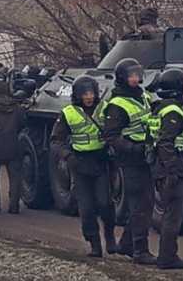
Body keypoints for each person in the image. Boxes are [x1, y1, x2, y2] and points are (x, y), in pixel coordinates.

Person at [50, 75, 116, 257]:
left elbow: (116, 128)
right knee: (86, 209)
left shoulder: (105, 108)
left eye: (91, 93)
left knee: (105, 203)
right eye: (85, 94)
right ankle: (94, 244)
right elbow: (56, 141)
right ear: (78, 95)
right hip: (79, 163)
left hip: (100, 160)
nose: (89, 97)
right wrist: (68, 156)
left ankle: (110, 237)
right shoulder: (68, 113)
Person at [102, 58, 157, 265]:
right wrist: (134, 148)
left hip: (145, 155)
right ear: (122, 78)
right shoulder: (117, 104)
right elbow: (111, 136)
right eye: (131, 75)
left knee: (147, 202)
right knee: (139, 204)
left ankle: (127, 244)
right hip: (131, 159)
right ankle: (140, 250)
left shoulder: (143, 96)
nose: (136, 78)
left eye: (137, 74)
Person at [148, 69, 183, 270]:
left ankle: (167, 255)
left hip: (160, 168)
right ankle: (167, 257)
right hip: (170, 170)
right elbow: (165, 143)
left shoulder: (159, 108)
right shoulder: (173, 112)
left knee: (170, 213)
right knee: (173, 215)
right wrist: (173, 170)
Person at [0, 78, 25, 215]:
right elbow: (22, 124)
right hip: (13, 144)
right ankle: (14, 206)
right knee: (15, 177)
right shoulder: (17, 107)